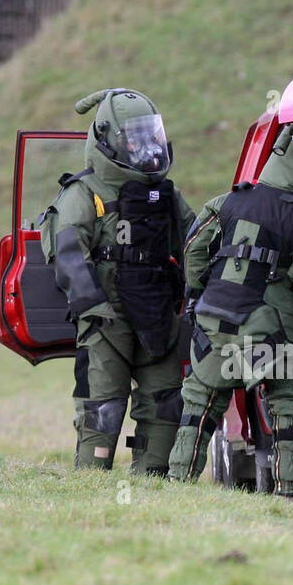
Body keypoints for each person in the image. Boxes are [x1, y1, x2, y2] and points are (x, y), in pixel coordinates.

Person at [167, 125, 293, 496]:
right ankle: (291, 491)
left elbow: (193, 250)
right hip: (268, 327)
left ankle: (178, 485)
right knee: (289, 404)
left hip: (214, 317)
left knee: (199, 406)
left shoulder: (227, 201)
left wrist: (199, 293)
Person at [41, 88, 194, 473]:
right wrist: (94, 308)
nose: (145, 145)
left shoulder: (164, 194)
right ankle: (92, 479)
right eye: (134, 136)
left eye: (149, 134)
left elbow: (195, 239)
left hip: (159, 312)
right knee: (102, 404)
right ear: (109, 139)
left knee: (164, 402)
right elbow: (69, 255)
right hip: (106, 318)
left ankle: (152, 479)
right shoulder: (83, 193)